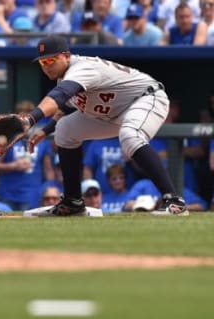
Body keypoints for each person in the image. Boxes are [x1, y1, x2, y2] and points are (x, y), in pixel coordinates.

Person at [23, 35, 189, 216]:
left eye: (50, 60)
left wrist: (30, 119)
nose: (46, 66)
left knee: (130, 136)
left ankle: (174, 201)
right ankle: (72, 202)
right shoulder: (65, 78)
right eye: (42, 62)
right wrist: (46, 129)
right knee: (64, 131)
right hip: (112, 113)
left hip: (146, 98)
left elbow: (60, 96)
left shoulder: (82, 67)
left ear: (66, 56)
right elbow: (64, 105)